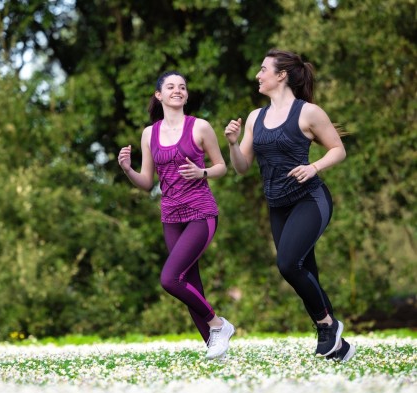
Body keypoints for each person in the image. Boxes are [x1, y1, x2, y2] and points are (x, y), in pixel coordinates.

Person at [224, 49, 355, 361]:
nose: (258, 75)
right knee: (303, 269)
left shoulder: (308, 112)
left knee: (287, 263)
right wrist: (231, 142)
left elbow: (338, 149)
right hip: (278, 206)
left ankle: (327, 325)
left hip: (310, 199)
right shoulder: (256, 117)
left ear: (281, 75)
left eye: (263, 69)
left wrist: (314, 167)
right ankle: (339, 347)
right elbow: (241, 167)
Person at [118, 71, 235, 359]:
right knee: (189, 281)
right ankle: (215, 348)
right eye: (170, 87)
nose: (177, 90)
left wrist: (202, 171)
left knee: (170, 278)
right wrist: (128, 170)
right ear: (159, 95)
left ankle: (218, 325)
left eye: (182, 87)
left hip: (201, 212)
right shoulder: (150, 133)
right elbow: (147, 182)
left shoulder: (200, 127)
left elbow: (221, 167)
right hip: (171, 217)